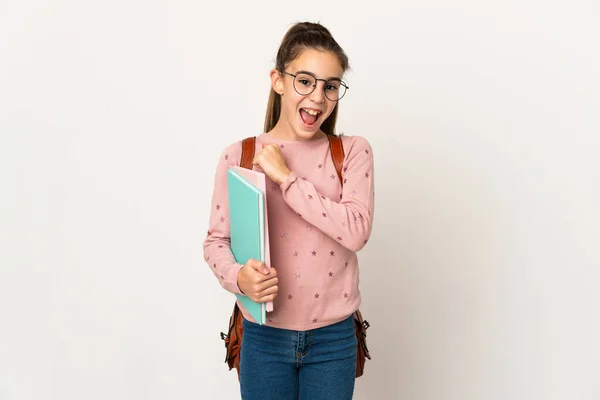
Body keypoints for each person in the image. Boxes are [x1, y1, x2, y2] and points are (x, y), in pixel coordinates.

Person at [203, 21, 374, 400]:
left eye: (330, 86)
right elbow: (217, 241)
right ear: (278, 80)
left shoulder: (351, 152)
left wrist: (287, 179)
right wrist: (237, 277)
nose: (318, 97)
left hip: (334, 340)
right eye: (305, 81)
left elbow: (356, 230)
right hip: (263, 338)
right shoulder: (239, 156)